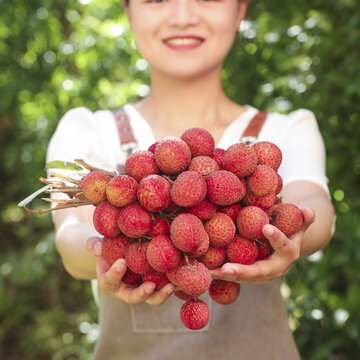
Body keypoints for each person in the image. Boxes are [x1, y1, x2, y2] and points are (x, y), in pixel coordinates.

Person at [47, 0, 335, 359]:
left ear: (240, 10)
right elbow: (70, 235)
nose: (182, 16)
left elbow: (314, 206)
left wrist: (298, 231)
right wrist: (102, 249)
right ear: (127, 11)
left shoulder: (287, 130)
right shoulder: (87, 131)